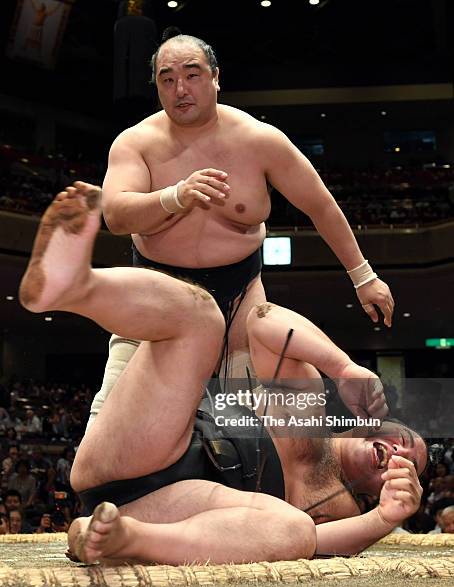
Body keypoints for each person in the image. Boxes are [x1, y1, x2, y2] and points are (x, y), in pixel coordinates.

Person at [19, 183, 424, 565]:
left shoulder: (343, 510)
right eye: (404, 439)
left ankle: (125, 540)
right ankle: (73, 287)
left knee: (297, 531)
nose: (401, 454)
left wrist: (386, 518)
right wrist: (343, 367)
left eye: (412, 466)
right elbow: (263, 321)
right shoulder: (307, 401)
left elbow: (318, 547)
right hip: (144, 445)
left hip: (171, 512)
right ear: (375, 424)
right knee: (203, 313)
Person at [70, 31, 395, 417]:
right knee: (109, 423)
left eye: (192, 75)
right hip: (155, 295)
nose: (180, 89)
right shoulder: (135, 143)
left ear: (216, 77)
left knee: (250, 433)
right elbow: (117, 215)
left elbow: (320, 205)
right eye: (167, 79)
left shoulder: (260, 141)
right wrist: (175, 196)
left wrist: (363, 276)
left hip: (239, 299)